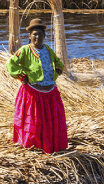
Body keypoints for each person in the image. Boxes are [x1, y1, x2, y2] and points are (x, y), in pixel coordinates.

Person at [6, 19, 68, 154]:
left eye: (40, 34)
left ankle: (49, 144)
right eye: (34, 34)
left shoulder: (48, 50)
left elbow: (58, 63)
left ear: (44, 36)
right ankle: (33, 144)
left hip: (50, 91)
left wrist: (56, 73)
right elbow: (10, 65)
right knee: (34, 120)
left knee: (51, 120)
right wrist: (22, 76)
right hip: (33, 92)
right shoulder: (25, 50)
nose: (37, 37)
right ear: (29, 36)